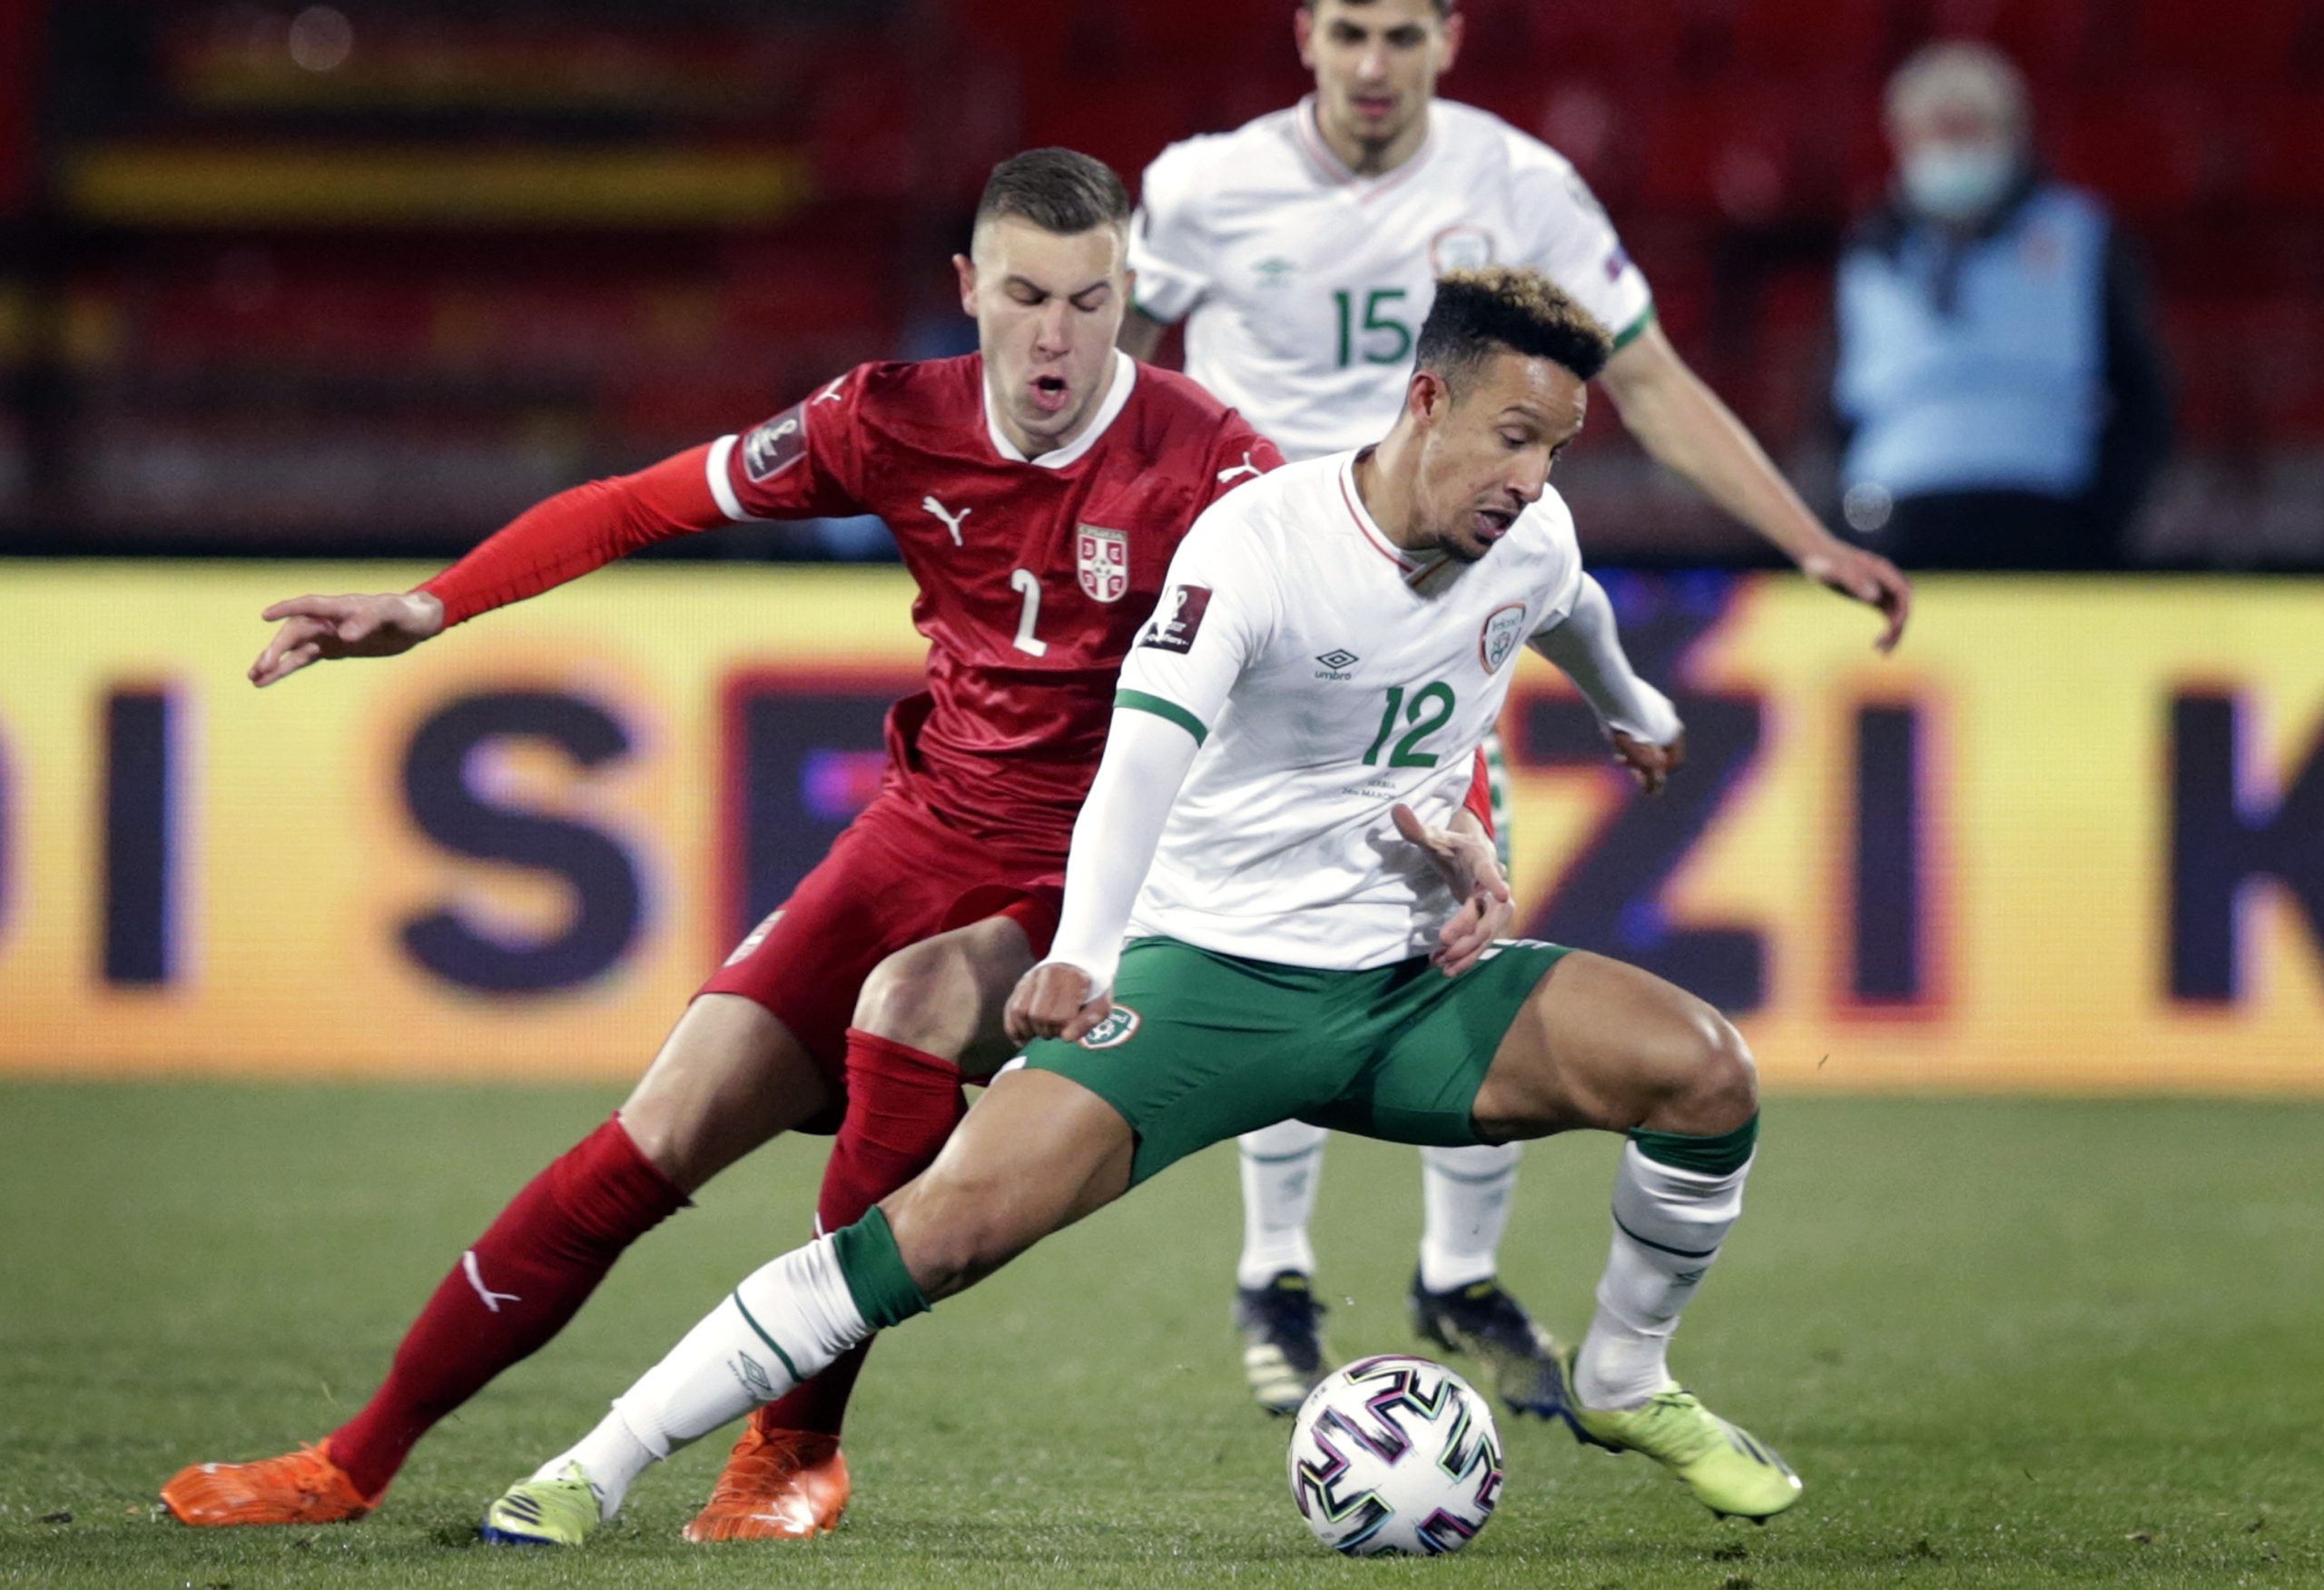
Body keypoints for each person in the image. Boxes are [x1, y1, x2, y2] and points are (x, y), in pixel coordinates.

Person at [473, 269, 1805, 1550]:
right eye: (1515, 436)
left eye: (1559, 450)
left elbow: (1565, 604)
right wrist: (1085, 953)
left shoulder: (1531, 531)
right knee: (933, 1237)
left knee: (1706, 1071)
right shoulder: (1261, 545)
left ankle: (1625, 1375)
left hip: (1409, 986)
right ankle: (594, 1463)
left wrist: (1634, 707)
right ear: (1424, 403)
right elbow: (1142, 755)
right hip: (1205, 985)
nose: (1533, 479)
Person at [158, 148, 1285, 1543]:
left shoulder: (1218, 459)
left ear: (1133, 298)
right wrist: (431, 606)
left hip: (1091, 863)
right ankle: (354, 1458)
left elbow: (1325, 643)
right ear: (967, 290)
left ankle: (794, 1445)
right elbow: (644, 499)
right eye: (1027, 295)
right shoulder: (889, 416)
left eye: (1094, 301)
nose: (1058, 336)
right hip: (919, 830)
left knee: (914, 1002)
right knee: (657, 1131)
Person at [1118, 0, 1912, 1416]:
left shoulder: (1520, 187)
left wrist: (1804, 536)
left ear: (1450, 38)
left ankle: (1456, 1271)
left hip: (1433, 608)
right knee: (1264, 922)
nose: (1373, 67)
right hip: (1266, 618)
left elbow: (1649, 381)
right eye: (1350, 32)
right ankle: (1276, 1266)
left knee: (1454, 926)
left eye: (1402, 37)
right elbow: (1103, 367)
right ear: (1304, 33)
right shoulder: (1202, 186)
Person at [1834, 40, 2173, 569]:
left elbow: (2141, 395)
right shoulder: (1870, 252)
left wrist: (2101, 519)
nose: (1953, 147)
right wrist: (1851, 518)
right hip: (1894, 515)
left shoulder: (2081, 236)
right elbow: (1833, 407)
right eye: (1938, 131)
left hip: (2045, 510)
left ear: (2012, 135)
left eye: (1971, 129)